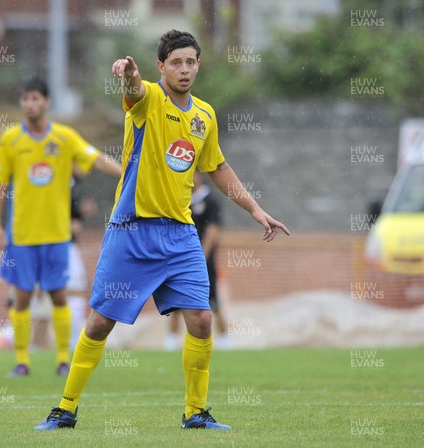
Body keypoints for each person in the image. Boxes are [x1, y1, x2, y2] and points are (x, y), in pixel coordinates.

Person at [35, 30, 289, 431]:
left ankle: (195, 413)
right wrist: (128, 75)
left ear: (198, 65)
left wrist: (256, 210)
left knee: (202, 319)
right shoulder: (149, 98)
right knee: (100, 323)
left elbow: (217, 169)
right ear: (161, 67)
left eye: (190, 62)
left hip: (180, 235)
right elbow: (134, 92)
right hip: (131, 231)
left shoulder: (204, 115)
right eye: (176, 63)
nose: (184, 69)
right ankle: (65, 409)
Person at [0, 78, 121, 377]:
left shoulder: (63, 137)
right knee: (21, 297)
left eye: (35, 98)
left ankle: (63, 359)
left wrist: (126, 173)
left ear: (46, 102)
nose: (30, 104)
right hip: (21, 234)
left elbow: (95, 158)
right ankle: (22, 361)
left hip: (57, 234)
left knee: (58, 295)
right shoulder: (10, 140)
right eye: (25, 99)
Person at [165, 169, 230, 351]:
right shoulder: (181, 201)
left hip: (202, 261)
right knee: (175, 304)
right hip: (180, 260)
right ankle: (170, 343)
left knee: (213, 303)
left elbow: (213, 231)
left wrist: (200, 256)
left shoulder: (210, 201)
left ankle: (225, 342)